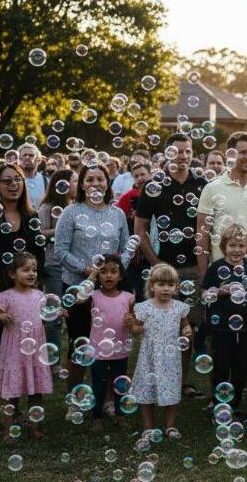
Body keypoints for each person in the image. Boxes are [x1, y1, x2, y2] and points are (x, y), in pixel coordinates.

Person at [135, 133, 206, 398]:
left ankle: (181, 380)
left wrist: (204, 265)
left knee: (189, 326)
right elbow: (140, 227)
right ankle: (158, 377)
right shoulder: (155, 186)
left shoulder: (201, 183)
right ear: (167, 154)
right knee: (162, 326)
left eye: (187, 151)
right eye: (177, 151)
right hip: (165, 269)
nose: (183, 156)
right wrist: (155, 263)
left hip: (194, 265)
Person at [54, 163, 131, 397]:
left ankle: (107, 397)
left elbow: (127, 249)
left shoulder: (117, 213)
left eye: (100, 179)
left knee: (110, 342)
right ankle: (75, 397)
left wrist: (113, 270)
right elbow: (60, 250)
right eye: (89, 179)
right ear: (82, 184)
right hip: (78, 287)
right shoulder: (70, 212)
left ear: (107, 183)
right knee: (80, 340)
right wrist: (87, 269)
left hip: (110, 288)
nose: (95, 184)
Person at [196, 132, 247, 278]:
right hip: (221, 270)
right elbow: (202, 235)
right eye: (243, 152)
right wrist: (203, 274)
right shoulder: (212, 188)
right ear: (230, 155)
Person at [127, 263, 192, 438]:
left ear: (176, 288)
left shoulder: (179, 307)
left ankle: (170, 426)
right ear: (152, 286)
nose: (165, 289)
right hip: (150, 355)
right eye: (161, 284)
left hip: (170, 358)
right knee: (147, 391)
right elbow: (137, 330)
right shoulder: (144, 307)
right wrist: (131, 326)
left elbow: (185, 326)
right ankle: (148, 427)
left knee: (171, 389)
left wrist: (187, 331)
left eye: (170, 285)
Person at [202, 224, 247, 415]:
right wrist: (220, 291)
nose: (237, 250)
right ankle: (220, 403)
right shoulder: (216, 267)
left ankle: (234, 404)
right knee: (221, 365)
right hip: (221, 327)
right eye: (232, 245)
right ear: (224, 246)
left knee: (242, 365)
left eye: (241, 246)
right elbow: (205, 294)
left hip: (246, 327)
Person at [0, 252, 52, 442]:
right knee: (11, 394)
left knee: (36, 392)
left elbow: (47, 314)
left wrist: (57, 313)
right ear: (12, 274)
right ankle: (7, 431)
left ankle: (35, 428)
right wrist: (1, 316)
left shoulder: (40, 295)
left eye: (35, 270)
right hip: (15, 349)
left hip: (35, 348)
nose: (32, 273)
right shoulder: (5, 296)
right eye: (26, 269)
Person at [86, 254, 135, 431]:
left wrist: (132, 322)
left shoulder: (129, 297)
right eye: (103, 272)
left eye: (114, 272)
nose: (108, 276)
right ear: (98, 275)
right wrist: (91, 275)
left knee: (120, 385)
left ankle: (120, 415)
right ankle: (96, 417)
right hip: (98, 350)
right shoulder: (93, 296)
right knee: (98, 385)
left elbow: (134, 322)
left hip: (120, 350)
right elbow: (78, 297)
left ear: (120, 276)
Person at [37, 169, 77, 355]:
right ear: (62, 185)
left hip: (74, 266)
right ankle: (53, 357)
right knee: (54, 315)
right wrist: (62, 230)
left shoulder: (77, 206)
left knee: (75, 314)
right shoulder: (47, 207)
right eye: (75, 181)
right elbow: (40, 234)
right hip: (54, 266)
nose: (80, 184)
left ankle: (76, 353)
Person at [0, 163, 46, 272]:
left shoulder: (32, 216)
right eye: (7, 181)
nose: (14, 184)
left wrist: (35, 278)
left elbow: (39, 253)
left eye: (18, 179)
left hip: (27, 285)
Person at [115, 162, 151, 229]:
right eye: (136, 176)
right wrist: (130, 218)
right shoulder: (127, 197)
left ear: (150, 175)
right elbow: (118, 219)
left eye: (142, 174)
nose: (139, 178)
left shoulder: (159, 193)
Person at [18, 143, 48, 209]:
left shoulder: (46, 181)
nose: (27, 157)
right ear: (19, 159)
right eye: (24, 155)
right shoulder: (14, 181)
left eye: (31, 155)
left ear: (38, 160)